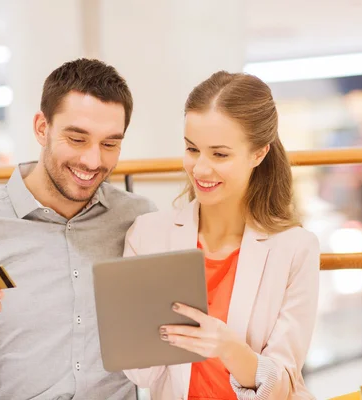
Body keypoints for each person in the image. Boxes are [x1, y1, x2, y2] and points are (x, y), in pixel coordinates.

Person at [0, 58, 156, 400]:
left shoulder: (139, 220)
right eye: (77, 139)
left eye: (109, 144)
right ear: (42, 128)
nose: (93, 161)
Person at [123, 71, 320, 400]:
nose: (200, 169)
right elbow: (140, 373)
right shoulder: (148, 236)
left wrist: (229, 348)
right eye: (191, 149)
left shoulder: (295, 249)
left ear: (258, 153)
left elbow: (283, 385)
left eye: (220, 154)